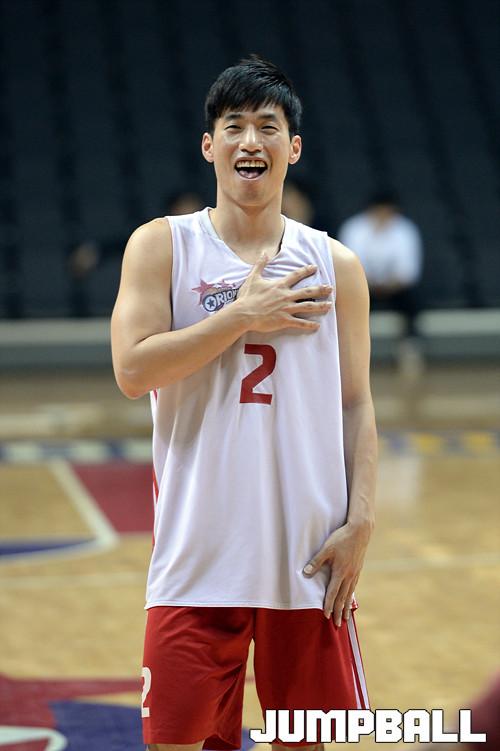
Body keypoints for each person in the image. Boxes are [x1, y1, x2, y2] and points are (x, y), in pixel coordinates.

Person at [111, 55, 377, 751]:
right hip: (198, 559)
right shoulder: (162, 247)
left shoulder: (337, 265)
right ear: (210, 146)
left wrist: (362, 520)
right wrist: (240, 316)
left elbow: (355, 404)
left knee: (308, 742)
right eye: (234, 126)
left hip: (308, 561)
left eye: (267, 126)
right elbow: (132, 370)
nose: (250, 140)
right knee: (176, 743)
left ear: (294, 148)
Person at [68, 190, 204, 316]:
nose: (192, 211)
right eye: (185, 206)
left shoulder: (206, 237)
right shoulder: (155, 235)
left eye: (195, 206)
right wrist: (94, 250)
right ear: (173, 209)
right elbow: (120, 244)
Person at [338, 190, 424, 375]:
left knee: (412, 302)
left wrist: (390, 283)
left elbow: (408, 270)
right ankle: (350, 353)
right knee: (348, 304)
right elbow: (349, 265)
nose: (383, 216)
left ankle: (410, 350)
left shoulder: (405, 230)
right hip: (363, 286)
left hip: (395, 288)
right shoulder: (354, 228)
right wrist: (368, 282)